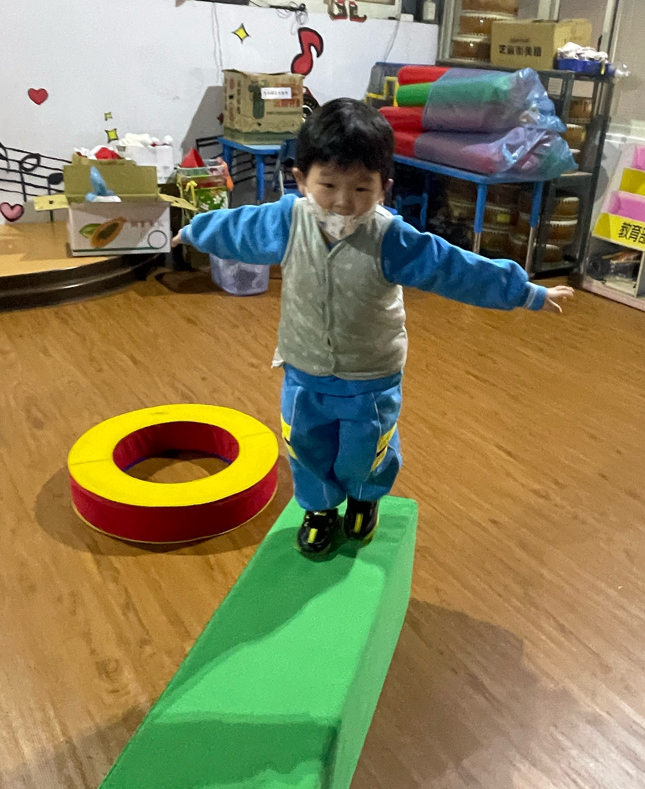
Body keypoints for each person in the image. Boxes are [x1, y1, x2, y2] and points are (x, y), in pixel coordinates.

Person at [174, 98, 573, 557]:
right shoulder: (287, 221)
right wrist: (198, 230)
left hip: (370, 376)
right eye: (328, 185)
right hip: (304, 369)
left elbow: (453, 267)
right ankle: (319, 508)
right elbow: (240, 228)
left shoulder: (390, 237)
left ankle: (364, 498)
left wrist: (524, 292)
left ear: (384, 188)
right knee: (305, 445)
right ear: (301, 179)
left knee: (365, 449)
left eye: (362, 188)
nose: (344, 202)